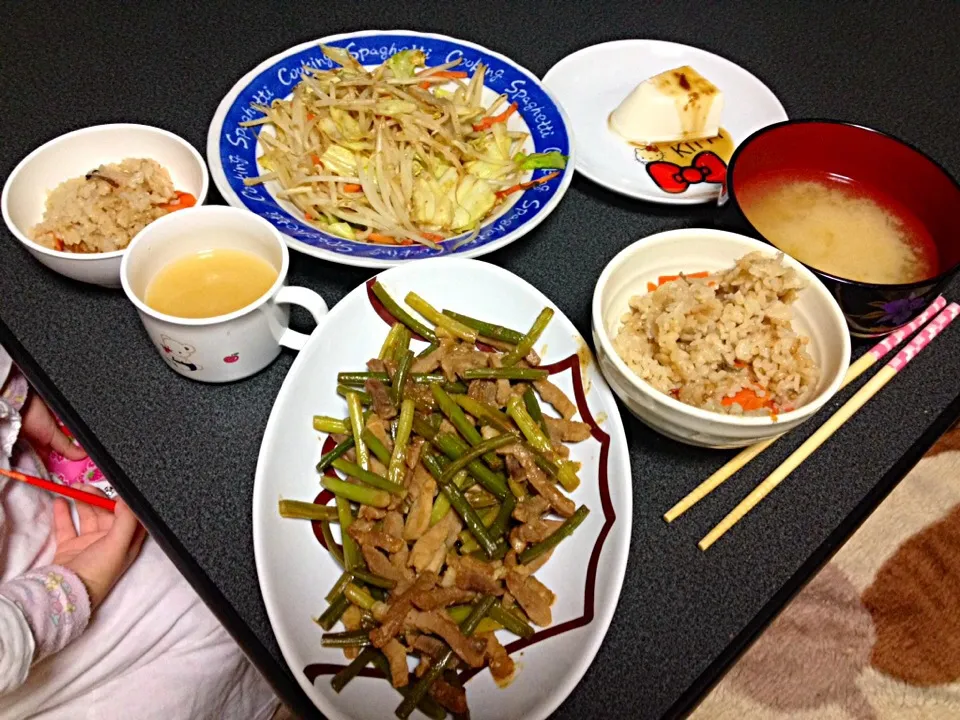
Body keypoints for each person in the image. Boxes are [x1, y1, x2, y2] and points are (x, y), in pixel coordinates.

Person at [0, 346, 279, 719]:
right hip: (39, 618)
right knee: (221, 608)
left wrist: (10, 395)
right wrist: (72, 584)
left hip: (36, 504)